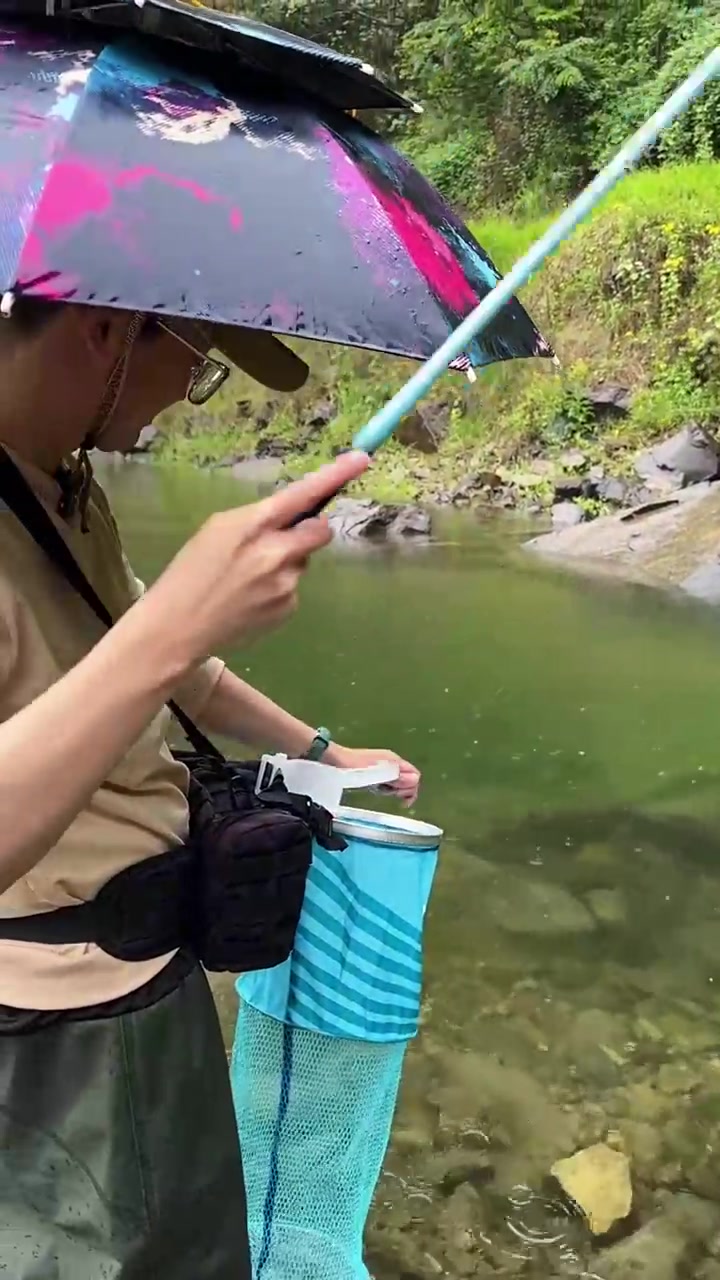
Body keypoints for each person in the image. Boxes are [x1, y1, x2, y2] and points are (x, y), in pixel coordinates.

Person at [0, 298, 420, 1280]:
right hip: (53, 1031)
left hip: (148, 982)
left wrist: (323, 749)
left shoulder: (60, 482)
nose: (187, 395)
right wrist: (176, 623)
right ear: (106, 328)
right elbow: (158, 646)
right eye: (197, 364)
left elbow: (169, 664)